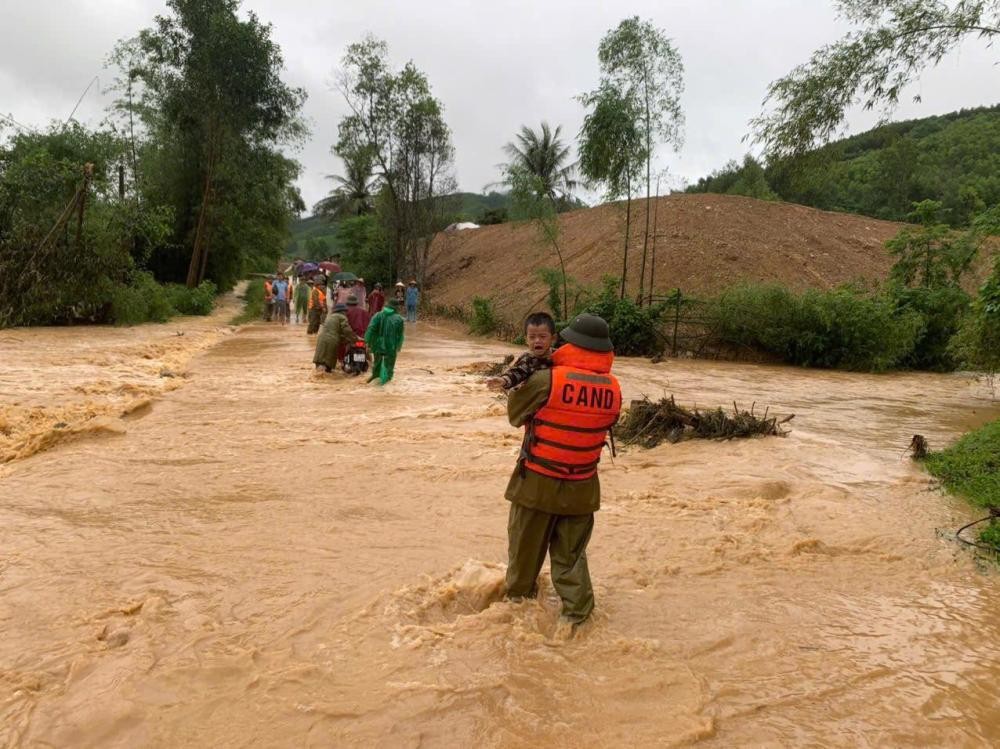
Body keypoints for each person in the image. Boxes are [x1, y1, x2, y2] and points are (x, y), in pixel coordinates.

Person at [503, 313, 622, 631]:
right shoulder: (614, 389)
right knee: (571, 560)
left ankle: (516, 621)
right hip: (582, 487)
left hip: (537, 484)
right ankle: (578, 620)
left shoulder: (547, 380)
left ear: (570, 344)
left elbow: (515, 415)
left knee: (523, 559)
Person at [487, 312, 556, 392]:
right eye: (532, 337)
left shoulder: (560, 355)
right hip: (532, 399)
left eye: (542, 337)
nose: (537, 341)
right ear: (526, 340)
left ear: (553, 338)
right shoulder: (528, 359)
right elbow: (517, 372)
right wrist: (504, 380)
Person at [365, 297, 405, 385]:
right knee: (389, 365)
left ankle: (375, 376)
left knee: (377, 362)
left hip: (377, 344)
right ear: (396, 308)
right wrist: (398, 346)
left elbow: (370, 329)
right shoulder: (399, 319)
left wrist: (367, 341)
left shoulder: (377, 315)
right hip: (391, 346)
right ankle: (387, 381)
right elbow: (400, 335)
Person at [313, 303, 357, 372]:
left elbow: (335, 331)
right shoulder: (341, 317)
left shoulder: (330, 317)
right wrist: (355, 339)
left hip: (321, 339)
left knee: (320, 363)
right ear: (342, 311)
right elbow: (347, 331)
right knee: (327, 366)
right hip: (331, 342)